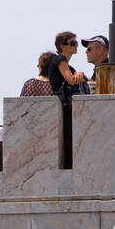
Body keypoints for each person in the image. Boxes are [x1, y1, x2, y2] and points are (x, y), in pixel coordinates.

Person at [48, 31, 88, 167]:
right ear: (62, 46)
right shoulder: (59, 60)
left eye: (76, 43)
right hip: (62, 105)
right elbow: (71, 81)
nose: (76, 46)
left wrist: (79, 73)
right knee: (68, 140)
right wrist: (79, 73)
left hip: (65, 105)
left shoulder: (68, 65)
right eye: (72, 43)